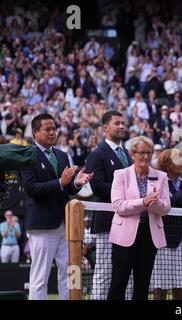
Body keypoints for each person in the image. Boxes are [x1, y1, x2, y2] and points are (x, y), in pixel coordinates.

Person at [22, 113, 93, 300]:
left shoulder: (62, 155)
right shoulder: (27, 155)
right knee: (40, 278)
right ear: (35, 132)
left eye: (54, 128)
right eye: (47, 129)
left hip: (66, 225)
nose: (53, 132)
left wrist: (77, 183)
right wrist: (60, 182)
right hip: (42, 226)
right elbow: (30, 188)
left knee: (70, 272)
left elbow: (67, 187)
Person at [108, 136, 170, 300]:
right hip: (124, 236)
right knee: (118, 283)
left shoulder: (161, 176)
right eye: (142, 153)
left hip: (149, 236)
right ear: (133, 154)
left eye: (149, 153)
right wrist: (144, 201)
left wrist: (152, 203)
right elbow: (118, 206)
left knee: (143, 284)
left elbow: (166, 208)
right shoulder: (121, 174)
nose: (146, 157)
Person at [85, 110, 134, 300]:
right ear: (106, 128)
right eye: (117, 123)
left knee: (127, 270)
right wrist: (127, 192)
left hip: (130, 220)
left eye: (123, 123)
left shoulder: (128, 155)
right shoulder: (97, 155)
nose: (122, 126)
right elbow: (97, 187)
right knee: (105, 270)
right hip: (107, 221)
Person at [151, 149, 182, 300]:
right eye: (177, 160)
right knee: (160, 286)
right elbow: (167, 205)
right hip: (162, 240)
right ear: (168, 163)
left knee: (179, 285)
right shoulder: (158, 180)